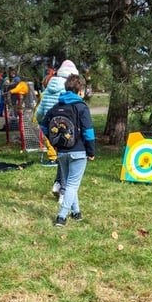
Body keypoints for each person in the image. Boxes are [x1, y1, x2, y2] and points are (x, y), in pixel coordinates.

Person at [40, 74, 95, 227]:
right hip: (78, 152)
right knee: (72, 184)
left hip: (61, 151)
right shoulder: (82, 107)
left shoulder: (56, 107)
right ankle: (61, 216)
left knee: (71, 183)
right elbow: (88, 132)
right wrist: (91, 152)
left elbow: (44, 126)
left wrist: (53, 142)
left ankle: (76, 213)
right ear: (80, 91)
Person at [36, 60, 79, 195]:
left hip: (50, 128)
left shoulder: (48, 87)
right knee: (66, 158)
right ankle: (63, 191)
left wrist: (45, 127)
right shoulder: (67, 89)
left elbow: (40, 112)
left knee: (61, 156)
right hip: (65, 127)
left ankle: (57, 183)